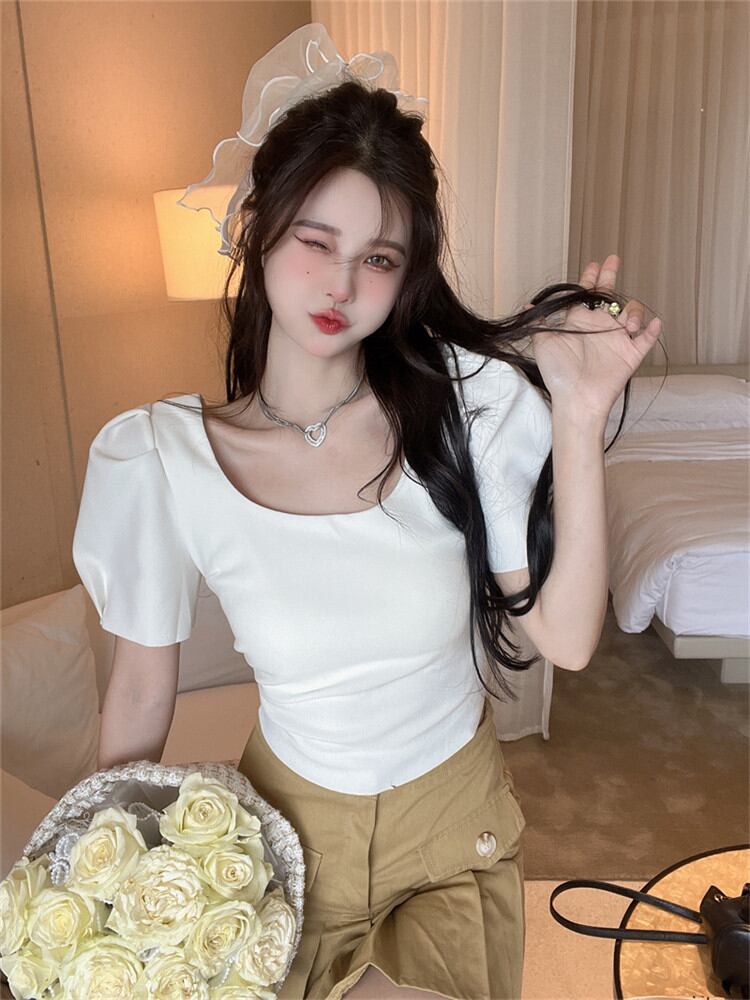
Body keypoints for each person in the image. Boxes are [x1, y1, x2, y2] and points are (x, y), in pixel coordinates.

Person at [71, 24, 662, 1000]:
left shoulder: (465, 404)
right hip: (282, 840)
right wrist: (102, 872)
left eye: (379, 258)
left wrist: (579, 411)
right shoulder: (159, 461)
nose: (342, 285)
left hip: (451, 837)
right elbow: (139, 693)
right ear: (257, 225)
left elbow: (565, 638)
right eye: (316, 241)